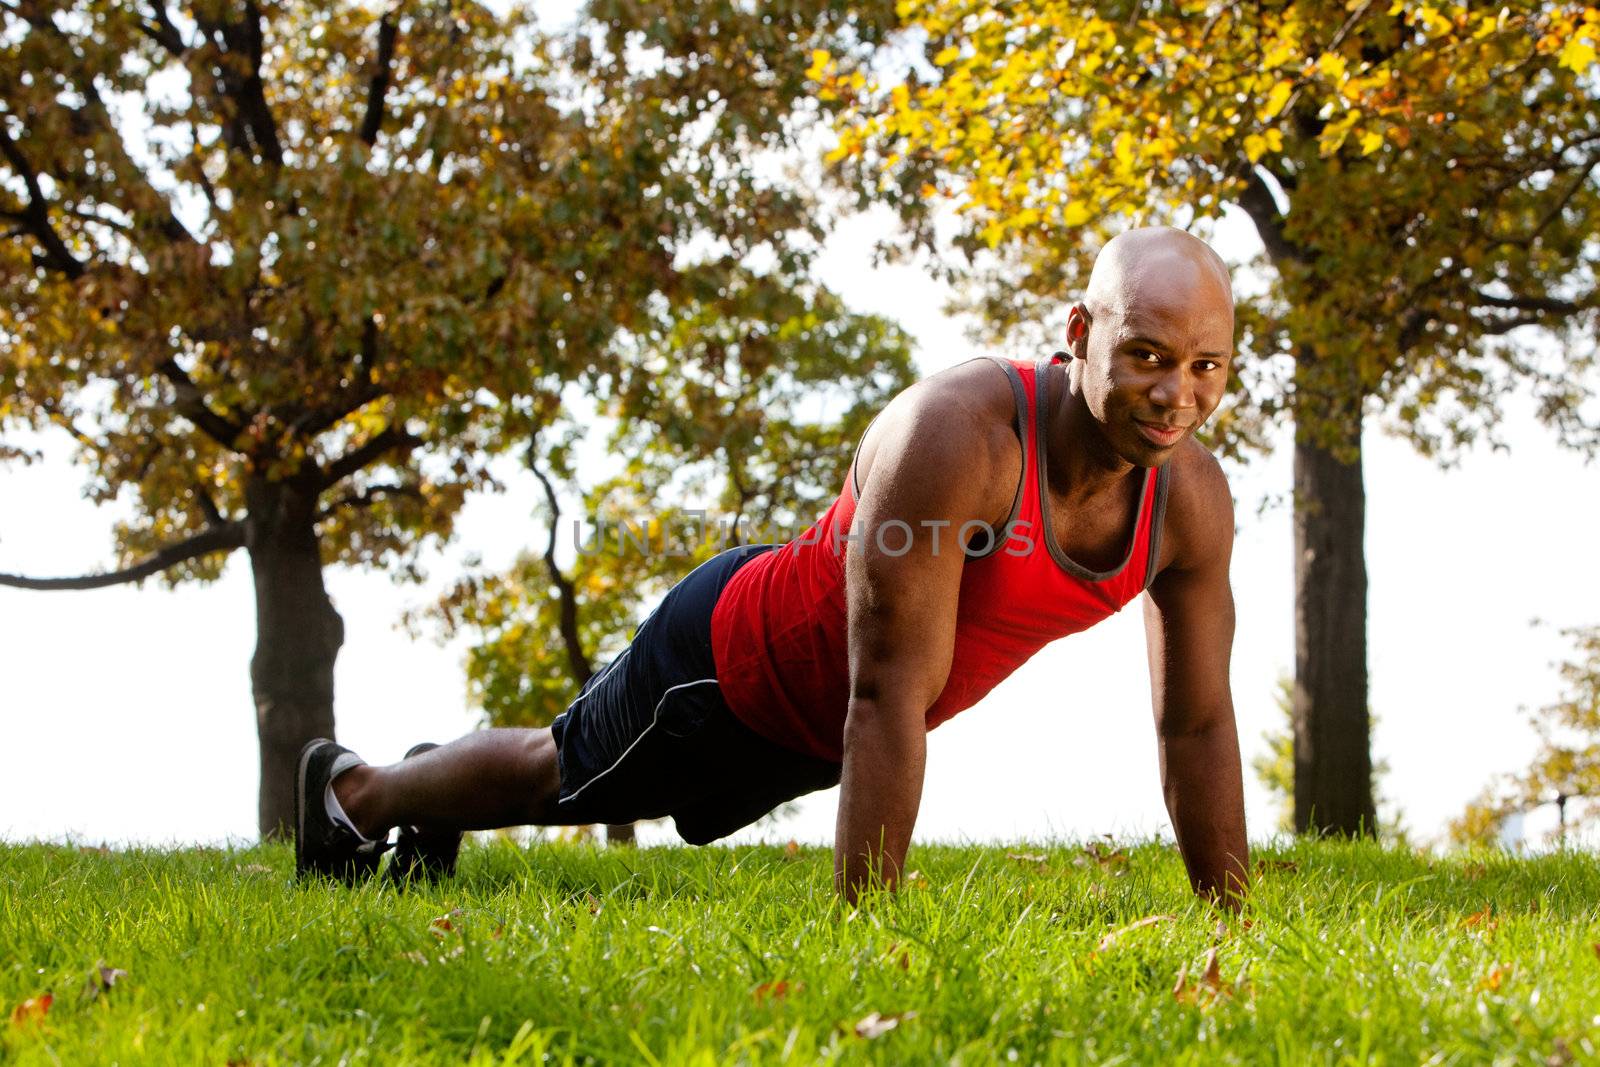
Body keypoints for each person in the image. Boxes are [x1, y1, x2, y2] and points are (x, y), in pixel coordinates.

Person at [295, 226, 1249, 906]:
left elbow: (1197, 720)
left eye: (1207, 366)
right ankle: (357, 791)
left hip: (816, 735)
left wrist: (1230, 925)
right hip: (729, 663)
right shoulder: (961, 437)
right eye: (1146, 355)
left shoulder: (1189, 504)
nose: (1176, 394)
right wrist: (869, 941)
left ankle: (428, 783)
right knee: (558, 779)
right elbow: (884, 695)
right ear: (1079, 334)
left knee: (618, 791)